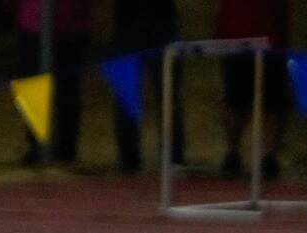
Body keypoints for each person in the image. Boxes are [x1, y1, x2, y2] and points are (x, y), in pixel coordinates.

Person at [215, 0, 292, 180]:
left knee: (274, 103)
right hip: (237, 41)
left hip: (271, 41)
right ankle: (232, 153)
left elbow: (283, 10)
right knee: (235, 102)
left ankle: (269, 158)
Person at [16, 0, 93, 165]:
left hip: (72, 23)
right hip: (34, 22)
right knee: (33, 87)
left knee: (68, 89)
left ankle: (65, 148)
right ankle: (36, 145)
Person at [112, 0, 184, 174]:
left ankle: (173, 157)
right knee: (127, 96)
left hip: (161, 24)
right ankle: (129, 158)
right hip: (127, 25)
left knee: (167, 94)